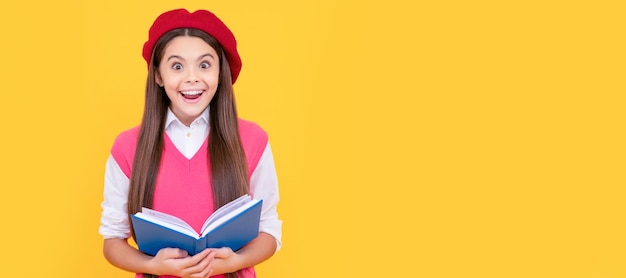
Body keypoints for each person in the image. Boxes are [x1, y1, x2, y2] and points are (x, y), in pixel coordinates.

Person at [98, 8, 282, 278]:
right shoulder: (127, 147)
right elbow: (112, 241)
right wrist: (152, 266)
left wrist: (232, 262)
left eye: (204, 65)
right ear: (158, 76)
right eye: (177, 66)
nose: (192, 77)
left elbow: (269, 232)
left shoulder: (253, 140)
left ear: (221, 73)